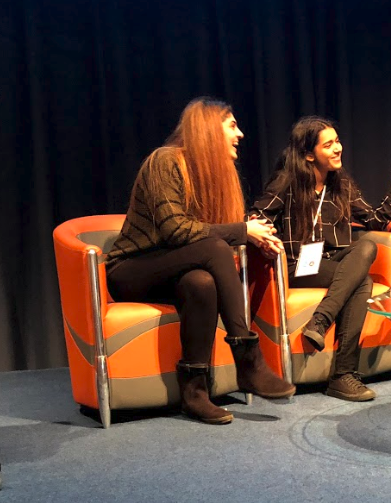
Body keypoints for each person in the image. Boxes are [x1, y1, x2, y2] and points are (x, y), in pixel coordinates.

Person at [105, 97, 296, 425]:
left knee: (201, 283)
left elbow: (201, 238)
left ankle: (195, 393)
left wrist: (250, 236)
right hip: (132, 270)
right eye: (232, 125)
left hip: (175, 271)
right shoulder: (165, 161)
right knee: (216, 248)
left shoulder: (209, 176)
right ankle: (247, 359)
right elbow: (176, 230)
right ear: (207, 128)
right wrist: (242, 231)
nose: (241, 134)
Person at [251, 116, 391, 402]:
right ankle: (343, 375)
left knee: (366, 248)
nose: (338, 149)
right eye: (328, 144)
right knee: (362, 282)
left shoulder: (341, 184)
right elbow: (259, 215)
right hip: (298, 265)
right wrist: (267, 237)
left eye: (338, 141)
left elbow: (374, 221)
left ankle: (321, 323)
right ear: (309, 154)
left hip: (333, 261)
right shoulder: (288, 181)